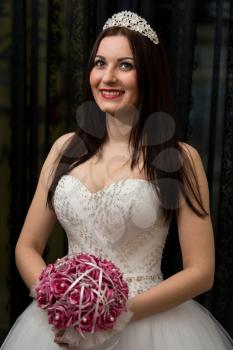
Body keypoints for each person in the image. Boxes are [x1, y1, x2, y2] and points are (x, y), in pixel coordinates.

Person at [1, 10, 233, 350]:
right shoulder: (64, 148)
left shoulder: (180, 159)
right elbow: (27, 246)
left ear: (148, 75)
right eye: (99, 63)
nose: (107, 77)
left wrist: (114, 314)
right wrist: (63, 305)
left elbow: (201, 271)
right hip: (61, 327)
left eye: (125, 65)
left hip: (149, 323)